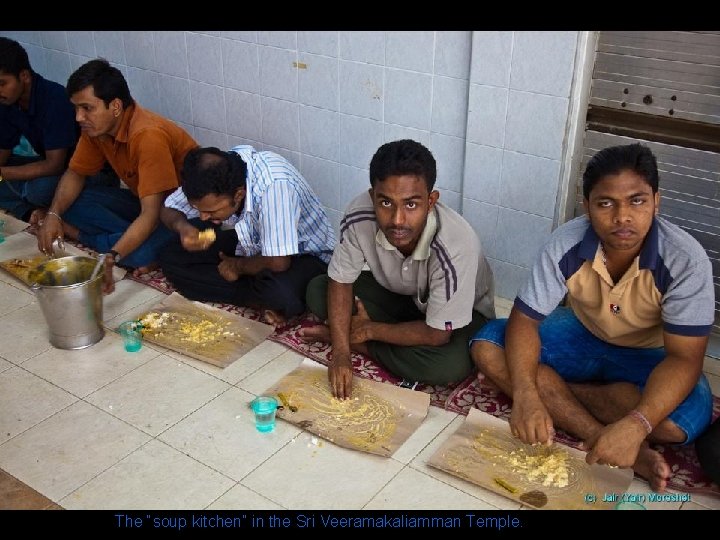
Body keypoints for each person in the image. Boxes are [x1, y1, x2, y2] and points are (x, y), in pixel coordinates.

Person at [470, 143, 715, 493]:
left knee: (675, 426)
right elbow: (525, 321)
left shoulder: (685, 261)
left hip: (652, 353)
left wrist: (637, 424)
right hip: (582, 335)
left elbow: (685, 358)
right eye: (606, 203)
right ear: (587, 207)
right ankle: (602, 431)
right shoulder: (565, 244)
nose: (622, 217)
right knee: (487, 345)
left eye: (637, 200)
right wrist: (526, 395)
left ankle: (562, 394)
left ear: (656, 201)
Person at [301, 139, 495, 398]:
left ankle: (363, 344)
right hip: (402, 298)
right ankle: (375, 339)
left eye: (411, 204)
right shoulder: (359, 216)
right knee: (318, 288)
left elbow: (437, 336)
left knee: (449, 365)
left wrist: (367, 331)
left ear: (431, 201)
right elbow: (341, 281)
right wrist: (340, 355)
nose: (397, 220)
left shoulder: (456, 245)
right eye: (386, 203)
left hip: (460, 317)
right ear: (373, 197)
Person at [34, 58, 198, 292]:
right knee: (65, 201)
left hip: (180, 217)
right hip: (143, 204)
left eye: (87, 108)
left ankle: (91, 236)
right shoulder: (94, 129)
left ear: (116, 107)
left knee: (136, 253)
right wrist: (53, 215)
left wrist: (112, 255)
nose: (78, 117)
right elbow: (76, 173)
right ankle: (129, 239)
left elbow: (152, 215)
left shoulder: (148, 136)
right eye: (76, 108)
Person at [158, 145, 335, 324]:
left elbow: (278, 261)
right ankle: (257, 296)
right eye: (198, 209)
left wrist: (238, 266)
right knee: (171, 255)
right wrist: (183, 228)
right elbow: (168, 208)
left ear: (238, 194)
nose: (203, 216)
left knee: (279, 294)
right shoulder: (208, 175)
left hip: (304, 255)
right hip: (252, 243)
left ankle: (267, 295)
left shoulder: (274, 186)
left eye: (212, 210)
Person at [0, 37, 79, 220]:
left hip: (79, 172)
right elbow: (3, 155)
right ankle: (29, 212)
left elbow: (55, 165)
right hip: (46, 166)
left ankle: (40, 204)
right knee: (27, 186)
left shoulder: (54, 99)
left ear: (24, 77)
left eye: (2, 83)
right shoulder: (7, 101)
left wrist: (3, 174)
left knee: (39, 190)